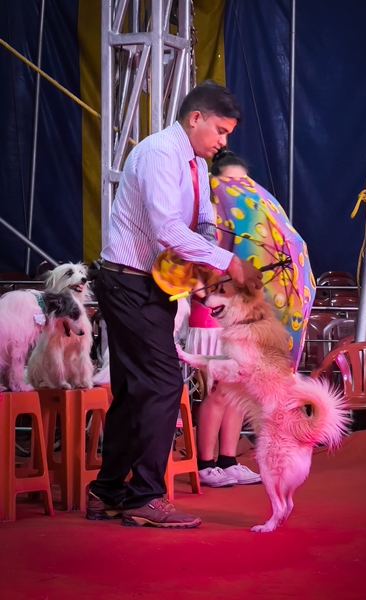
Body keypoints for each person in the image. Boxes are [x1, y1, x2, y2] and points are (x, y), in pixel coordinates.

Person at [86, 81, 263, 529]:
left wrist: (208, 269)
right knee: (165, 384)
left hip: (154, 286)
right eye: (220, 130)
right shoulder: (159, 153)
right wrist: (229, 263)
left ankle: (106, 493)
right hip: (127, 282)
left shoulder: (198, 164)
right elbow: (168, 227)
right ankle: (144, 496)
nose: (223, 142)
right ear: (195, 118)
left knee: (135, 390)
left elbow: (200, 224)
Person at [186, 149, 261, 488]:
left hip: (237, 318)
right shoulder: (203, 221)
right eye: (228, 182)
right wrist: (205, 291)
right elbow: (188, 268)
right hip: (209, 316)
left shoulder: (247, 228)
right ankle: (205, 464)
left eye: (241, 183)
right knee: (217, 391)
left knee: (237, 388)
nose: (235, 189)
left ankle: (229, 460)